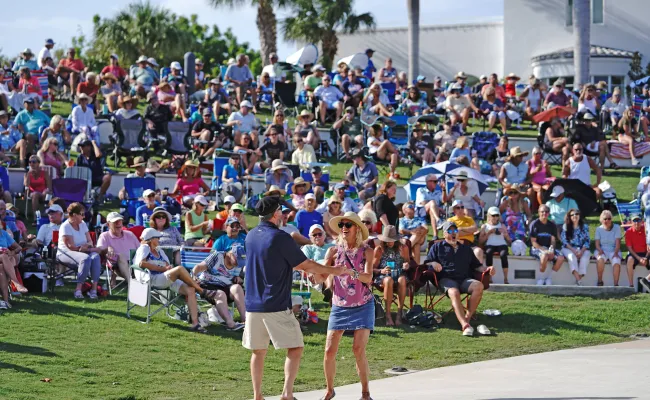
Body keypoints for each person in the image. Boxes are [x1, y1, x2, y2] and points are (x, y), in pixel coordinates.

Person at [243, 196, 350, 400]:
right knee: (296, 347)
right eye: (281, 211)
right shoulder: (280, 237)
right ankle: (287, 394)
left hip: (252, 303)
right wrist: (332, 270)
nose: (284, 215)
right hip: (274, 302)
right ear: (275, 213)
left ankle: (257, 396)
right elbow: (305, 265)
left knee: (258, 351)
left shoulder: (250, 236)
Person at [319, 211, 375, 400]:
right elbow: (323, 273)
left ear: (357, 229)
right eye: (341, 225)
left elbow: (368, 277)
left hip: (363, 303)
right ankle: (329, 389)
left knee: (358, 349)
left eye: (347, 225)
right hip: (340, 304)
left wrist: (353, 272)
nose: (343, 228)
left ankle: (365, 392)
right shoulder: (334, 250)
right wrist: (316, 275)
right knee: (329, 350)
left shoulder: (367, 251)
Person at [133, 228, 219, 333]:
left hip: (165, 278)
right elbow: (142, 264)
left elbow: (167, 265)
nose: (159, 239)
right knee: (179, 269)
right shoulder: (144, 248)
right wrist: (163, 268)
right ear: (150, 239)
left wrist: (166, 268)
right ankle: (201, 290)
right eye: (157, 238)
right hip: (152, 279)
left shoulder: (159, 250)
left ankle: (195, 324)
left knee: (190, 289)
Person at [425, 220, 496, 336]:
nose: (453, 233)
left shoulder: (466, 249)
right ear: (444, 234)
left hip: (464, 279)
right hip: (446, 279)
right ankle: (465, 325)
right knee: (454, 292)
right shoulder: (437, 247)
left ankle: (467, 318)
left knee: (479, 286)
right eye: (450, 231)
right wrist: (433, 263)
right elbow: (427, 263)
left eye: (455, 230)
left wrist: (488, 269)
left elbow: (477, 266)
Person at [192, 245, 247, 331]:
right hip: (207, 284)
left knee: (237, 288)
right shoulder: (218, 256)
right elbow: (199, 267)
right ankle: (231, 324)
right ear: (231, 254)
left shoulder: (239, 265)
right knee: (220, 294)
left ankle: (246, 322)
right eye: (237, 260)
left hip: (225, 286)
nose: (238, 264)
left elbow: (238, 277)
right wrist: (194, 276)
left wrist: (239, 278)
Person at [57, 203, 104, 299]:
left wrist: (88, 247)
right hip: (65, 253)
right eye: (82, 214)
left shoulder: (82, 224)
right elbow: (70, 247)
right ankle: (78, 290)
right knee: (85, 258)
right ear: (74, 215)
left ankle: (93, 290)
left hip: (83, 250)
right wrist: (82, 248)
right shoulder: (65, 226)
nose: (84, 216)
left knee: (95, 257)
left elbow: (90, 240)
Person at [373, 225, 410, 326]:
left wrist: (406, 265)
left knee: (402, 280)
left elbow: (408, 262)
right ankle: (388, 315)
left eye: (391, 240)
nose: (389, 242)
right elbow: (372, 268)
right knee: (388, 280)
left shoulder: (403, 248)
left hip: (399, 274)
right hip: (384, 277)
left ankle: (399, 314)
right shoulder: (379, 250)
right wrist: (381, 270)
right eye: (387, 240)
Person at [97, 212, 140, 288]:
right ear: (108, 224)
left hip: (136, 265)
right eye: (115, 222)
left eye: (120, 221)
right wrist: (107, 248)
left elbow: (140, 249)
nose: (118, 223)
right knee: (121, 256)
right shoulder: (104, 236)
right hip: (118, 267)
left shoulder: (130, 234)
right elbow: (99, 249)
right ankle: (132, 285)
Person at [530, 204, 565, 286]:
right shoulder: (535, 224)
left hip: (548, 248)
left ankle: (549, 278)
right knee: (544, 255)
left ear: (549, 213)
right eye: (542, 212)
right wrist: (544, 250)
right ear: (539, 212)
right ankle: (541, 279)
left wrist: (551, 248)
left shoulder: (552, 225)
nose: (544, 213)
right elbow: (533, 242)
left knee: (560, 257)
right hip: (537, 248)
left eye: (546, 212)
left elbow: (553, 240)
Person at [479, 207, 512, 284]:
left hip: (501, 244)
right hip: (490, 245)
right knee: (489, 252)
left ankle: (506, 278)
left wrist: (505, 233)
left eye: (496, 215)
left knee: (503, 254)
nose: (495, 217)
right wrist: (489, 233)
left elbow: (509, 241)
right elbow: (480, 241)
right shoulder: (485, 226)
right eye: (493, 215)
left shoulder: (502, 225)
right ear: (489, 216)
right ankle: (490, 278)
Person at [561, 208, 591, 286]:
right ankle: (579, 281)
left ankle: (578, 280)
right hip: (568, 248)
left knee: (584, 258)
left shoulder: (584, 227)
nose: (575, 216)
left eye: (576, 214)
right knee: (571, 256)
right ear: (569, 217)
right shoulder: (565, 226)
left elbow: (587, 241)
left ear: (579, 216)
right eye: (572, 215)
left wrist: (581, 251)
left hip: (582, 248)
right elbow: (564, 241)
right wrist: (574, 250)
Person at [595, 210, 622, 287]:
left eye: (609, 218)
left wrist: (616, 252)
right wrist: (600, 251)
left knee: (616, 262)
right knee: (600, 259)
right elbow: (597, 244)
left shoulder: (616, 227)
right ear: (601, 220)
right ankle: (600, 281)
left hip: (614, 249)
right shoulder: (598, 229)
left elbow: (618, 243)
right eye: (605, 219)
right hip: (602, 249)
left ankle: (616, 284)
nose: (607, 220)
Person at [24, 155, 52, 224]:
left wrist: (46, 191)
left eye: (33, 162)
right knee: (35, 194)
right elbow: (26, 187)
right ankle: (35, 218)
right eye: (30, 162)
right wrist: (28, 175)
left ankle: (46, 216)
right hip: (32, 193)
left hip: (43, 193)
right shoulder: (28, 174)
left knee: (46, 192)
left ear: (38, 163)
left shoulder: (44, 173)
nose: (31, 164)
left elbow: (49, 187)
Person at [624, 215, 648, 288]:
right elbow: (630, 248)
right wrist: (639, 258)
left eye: (638, 221)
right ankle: (631, 285)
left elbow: (649, 245)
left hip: (646, 252)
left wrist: (646, 257)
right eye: (634, 221)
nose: (636, 223)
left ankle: (647, 282)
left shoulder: (646, 230)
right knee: (629, 260)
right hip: (634, 254)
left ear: (642, 222)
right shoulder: (628, 232)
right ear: (631, 222)